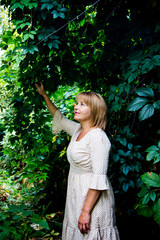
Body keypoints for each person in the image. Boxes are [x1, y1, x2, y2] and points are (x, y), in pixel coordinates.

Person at [35, 81, 120, 240]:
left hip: (92, 200)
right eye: (76, 103)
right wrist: (44, 95)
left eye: (82, 104)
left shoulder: (97, 137)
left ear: (94, 110)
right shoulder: (77, 130)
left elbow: (98, 177)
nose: (76, 106)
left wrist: (86, 211)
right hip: (76, 194)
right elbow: (58, 117)